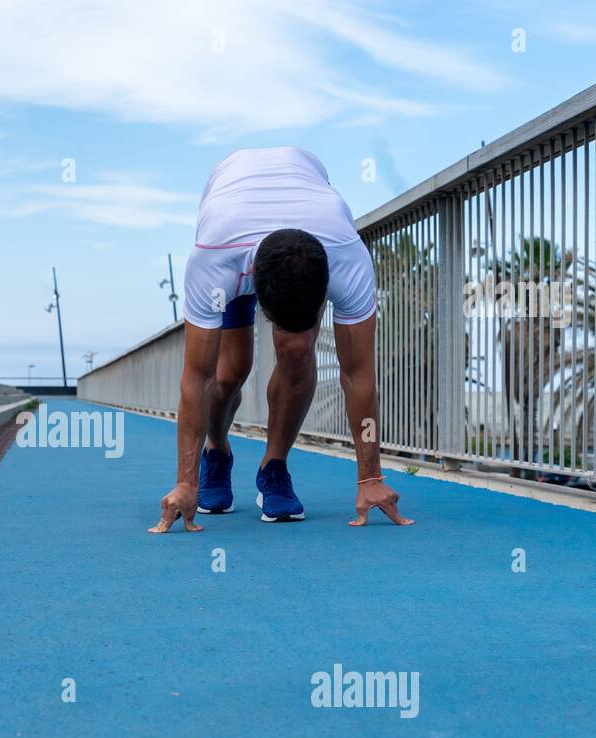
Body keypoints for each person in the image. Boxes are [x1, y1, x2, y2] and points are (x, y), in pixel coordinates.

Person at [149, 146, 413, 533]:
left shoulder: (346, 257)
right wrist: (185, 481)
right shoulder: (215, 260)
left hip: (307, 186)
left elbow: (358, 373)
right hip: (230, 197)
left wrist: (370, 476)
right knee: (228, 373)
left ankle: (273, 466)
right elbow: (197, 377)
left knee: (297, 350)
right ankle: (216, 452)